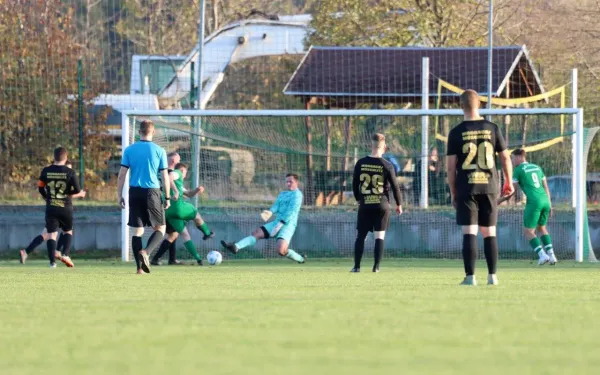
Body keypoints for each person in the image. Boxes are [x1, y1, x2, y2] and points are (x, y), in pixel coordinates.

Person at [447, 89, 514, 286]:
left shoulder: (456, 132)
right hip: (489, 186)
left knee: (469, 231)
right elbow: (505, 157)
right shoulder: (492, 128)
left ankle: (470, 278)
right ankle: (492, 277)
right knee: (489, 232)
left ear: (461, 106)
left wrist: (453, 192)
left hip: (466, 188)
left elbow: (451, 167)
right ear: (480, 105)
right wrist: (508, 181)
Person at [117, 119, 170, 274]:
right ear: (153, 132)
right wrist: (167, 197)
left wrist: (119, 195)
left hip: (134, 192)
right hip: (152, 191)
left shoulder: (129, 150)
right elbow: (165, 176)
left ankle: (139, 269)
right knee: (161, 228)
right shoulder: (159, 150)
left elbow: (122, 175)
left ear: (139, 132)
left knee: (138, 231)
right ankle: (145, 252)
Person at [21, 149, 86, 267]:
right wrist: (67, 192)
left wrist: (47, 198)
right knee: (68, 231)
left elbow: (40, 188)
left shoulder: (46, 171)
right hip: (65, 207)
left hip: (51, 207)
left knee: (51, 234)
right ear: (65, 158)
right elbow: (77, 190)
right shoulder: (70, 172)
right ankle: (65, 254)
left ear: (54, 157)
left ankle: (52, 264)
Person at [221, 174, 305, 264]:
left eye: (290, 181)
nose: (288, 183)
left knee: (281, 251)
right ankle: (236, 247)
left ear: (296, 182)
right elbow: (276, 205)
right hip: (276, 222)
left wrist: (281, 224)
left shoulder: (297, 195)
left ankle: (300, 258)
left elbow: (291, 211)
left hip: (287, 225)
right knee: (256, 233)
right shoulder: (283, 194)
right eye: (287, 181)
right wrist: (271, 212)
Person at [351, 133, 403, 273]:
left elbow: (355, 184)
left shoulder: (361, 163)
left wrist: (358, 199)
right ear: (384, 147)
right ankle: (376, 268)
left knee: (361, 236)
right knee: (379, 236)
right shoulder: (387, 165)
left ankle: (356, 267)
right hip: (382, 205)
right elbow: (395, 187)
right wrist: (399, 204)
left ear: (370, 146)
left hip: (365, 204)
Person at [151, 162, 214, 266]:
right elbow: (170, 176)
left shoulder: (178, 183)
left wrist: (197, 190)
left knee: (182, 235)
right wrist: (176, 192)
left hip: (168, 212)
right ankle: (207, 233)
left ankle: (199, 259)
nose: (185, 175)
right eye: (185, 172)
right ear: (182, 170)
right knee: (196, 215)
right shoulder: (177, 173)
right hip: (178, 208)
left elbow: (189, 194)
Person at [507, 149, 557, 265]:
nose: (512, 161)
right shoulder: (537, 167)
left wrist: (500, 200)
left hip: (534, 202)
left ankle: (542, 255)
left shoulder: (518, 170)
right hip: (545, 200)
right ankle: (552, 256)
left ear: (520, 157)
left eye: (513, 158)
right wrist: (550, 205)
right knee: (542, 227)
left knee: (528, 231)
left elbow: (512, 190)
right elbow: (546, 187)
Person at [151, 152, 183, 265]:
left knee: (170, 232)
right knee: (171, 233)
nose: (180, 162)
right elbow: (173, 187)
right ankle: (152, 256)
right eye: (179, 159)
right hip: (166, 207)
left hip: (156, 204)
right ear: (174, 161)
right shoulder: (172, 174)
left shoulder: (159, 172)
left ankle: (172, 259)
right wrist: (176, 192)